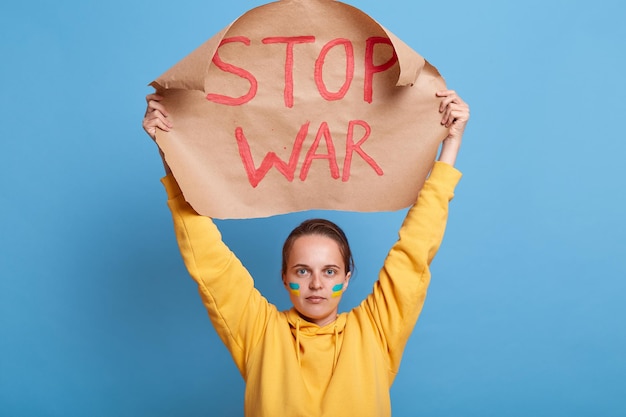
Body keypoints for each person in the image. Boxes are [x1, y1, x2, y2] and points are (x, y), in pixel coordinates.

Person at [142, 90, 469, 417]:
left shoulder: (376, 329)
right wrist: (169, 150)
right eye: (302, 270)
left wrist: (451, 143)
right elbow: (207, 256)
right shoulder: (259, 331)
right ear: (284, 278)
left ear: (347, 276)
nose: (316, 284)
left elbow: (415, 249)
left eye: (329, 271)